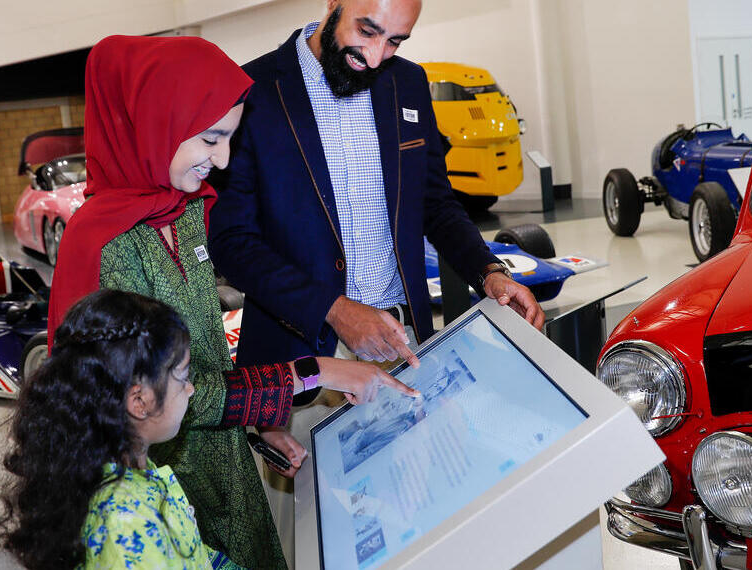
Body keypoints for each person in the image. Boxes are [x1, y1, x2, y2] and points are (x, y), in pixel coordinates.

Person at [45, 35, 417, 569]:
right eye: (210, 139)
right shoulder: (104, 246)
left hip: (224, 470)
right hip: (159, 489)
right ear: (157, 123)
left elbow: (204, 357)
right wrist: (314, 374)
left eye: (229, 141)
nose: (220, 161)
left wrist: (258, 420)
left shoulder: (186, 210)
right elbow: (151, 396)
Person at [208, 0, 545, 459]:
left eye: (394, 41)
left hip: (397, 343)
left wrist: (489, 271)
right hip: (298, 363)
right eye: (366, 32)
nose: (374, 56)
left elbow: (435, 203)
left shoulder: (407, 83)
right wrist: (334, 309)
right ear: (333, 4)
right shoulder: (255, 91)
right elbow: (232, 242)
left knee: (414, 500)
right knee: (311, 523)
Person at [0, 289, 408, 569]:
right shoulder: (126, 525)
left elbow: (197, 556)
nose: (191, 389)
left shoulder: (135, 471)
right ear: (139, 401)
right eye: (182, 376)